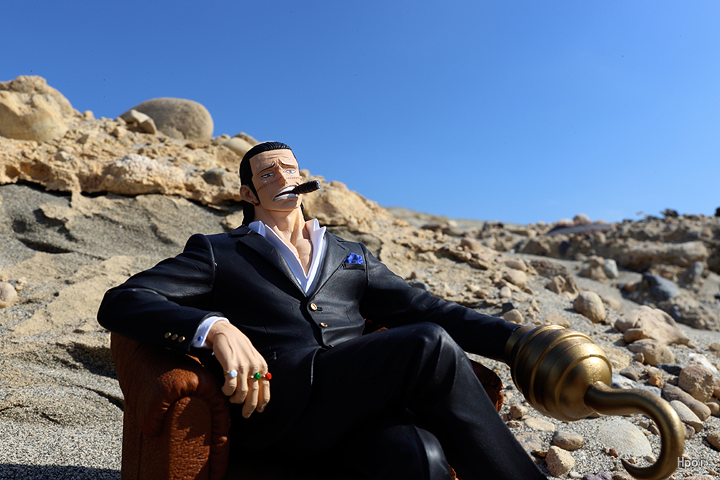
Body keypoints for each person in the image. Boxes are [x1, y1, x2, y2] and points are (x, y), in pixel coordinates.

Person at [97, 141, 547, 480]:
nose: (283, 175)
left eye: (290, 168)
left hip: (356, 410)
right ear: (248, 193)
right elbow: (123, 300)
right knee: (426, 344)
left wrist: (519, 341)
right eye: (269, 173)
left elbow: (425, 307)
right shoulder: (219, 252)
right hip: (277, 411)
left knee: (419, 454)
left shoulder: (351, 254)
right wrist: (215, 327)